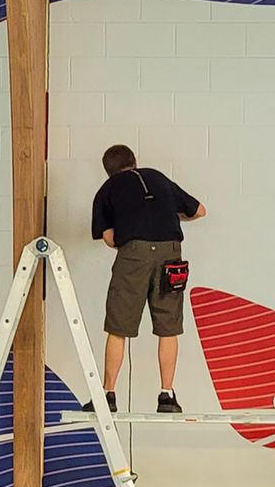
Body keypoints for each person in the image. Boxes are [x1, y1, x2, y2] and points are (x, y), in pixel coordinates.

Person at [87, 144, 206, 413]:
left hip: (134, 254)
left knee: (119, 326)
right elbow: (199, 210)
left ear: (108, 171)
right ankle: (167, 395)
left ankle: (108, 395)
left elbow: (109, 238)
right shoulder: (158, 177)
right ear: (135, 162)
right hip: (171, 252)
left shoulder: (106, 190)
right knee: (169, 326)